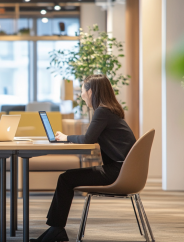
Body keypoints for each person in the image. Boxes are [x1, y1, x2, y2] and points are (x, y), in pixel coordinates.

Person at [30, 74, 137, 242]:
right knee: (67, 178)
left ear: (91, 91)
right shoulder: (110, 111)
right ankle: (55, 230)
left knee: (66, 178)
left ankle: (56, 230)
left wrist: (66, 138)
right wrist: (68, 137)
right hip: (123, 169)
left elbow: (88, 139)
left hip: (117, 172)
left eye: (83, 90)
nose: (81, 95)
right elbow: (90, 137)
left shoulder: (103, 111)